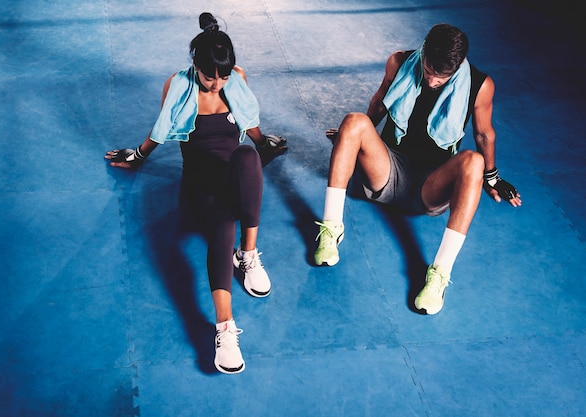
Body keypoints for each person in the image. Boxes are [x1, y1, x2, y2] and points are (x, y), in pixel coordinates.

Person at [105, 12, 287, 374]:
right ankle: (225, 328)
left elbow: (250, 124)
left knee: (249, 156)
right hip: (200, 185)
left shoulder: (237, 79)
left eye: (223, 75)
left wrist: (266, 142)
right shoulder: (177, 85)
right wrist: (138, 156)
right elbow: (161, 129)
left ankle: (246, 255)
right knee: (221, 227)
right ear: (195, 67)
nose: (218, 83)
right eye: (209, 76)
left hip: (234, 173)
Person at [314, 23, 521, 315]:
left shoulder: (480, 84)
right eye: (429, 71)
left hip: (431, 185)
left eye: (442, 77)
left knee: (473, 160)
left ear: (459, 64)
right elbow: (378, 103)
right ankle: (331, 230)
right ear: (423, 52)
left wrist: (492, 177)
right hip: (385, 171)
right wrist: (352, 139)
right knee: (353, 120)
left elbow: (484, 134)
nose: (433, 81)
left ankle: (439, 274)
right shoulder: (399, 62)